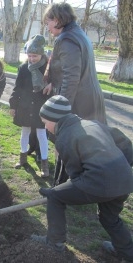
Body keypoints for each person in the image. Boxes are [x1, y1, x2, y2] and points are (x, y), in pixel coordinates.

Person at [31, 95, 133, 263]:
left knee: (54, 196)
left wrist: (56, 192)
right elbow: (125, 144)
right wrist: (121, 170)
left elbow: (75, 173)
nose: (45, 127)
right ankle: (127, 253)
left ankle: (54, 242)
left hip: (99, 181)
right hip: (125, 181)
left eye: (45, 122)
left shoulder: (64, 137)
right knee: (110, 218)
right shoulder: (92, 123)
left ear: (55, 120)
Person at [42, 2, 107, 185]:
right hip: (90, 98)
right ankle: (83, 182)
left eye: (48, 22)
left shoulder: (67, 39)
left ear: (57, 19)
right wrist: (53, 82)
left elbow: (72, 76)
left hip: (79, 102)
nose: (47, 27)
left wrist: (62, 109)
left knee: (67, 144)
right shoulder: (78, 34)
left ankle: (63, 186)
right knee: (87, 145)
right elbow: (66, 68)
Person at [9, 34, 52, 177]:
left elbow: (54, 86)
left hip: (42, 106)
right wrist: (13, 105)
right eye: (29, 56)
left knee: (41, 134)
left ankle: (44, 165)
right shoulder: (23, 68)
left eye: (35, 56)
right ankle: (22, 158)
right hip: (25, 106)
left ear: (41, 54)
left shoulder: (48, 68)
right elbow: (17, 88)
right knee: (25, 131)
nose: (32, 59)